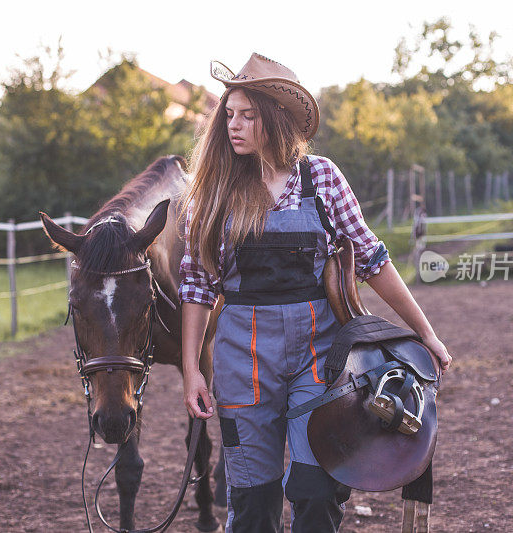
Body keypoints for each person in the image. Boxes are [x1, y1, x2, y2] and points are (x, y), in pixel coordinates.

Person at [178, 52, 452, 533]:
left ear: (276, 118)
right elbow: (196, 286)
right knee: (252, 500)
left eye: (247, 115)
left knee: (318, 492)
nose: (233, 126)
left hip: (320, 360)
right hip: (242, 366)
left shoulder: (321, 177)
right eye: (229, 115)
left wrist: (424, 333)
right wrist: (189, 370)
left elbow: (372, 259)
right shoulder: (212, 192)